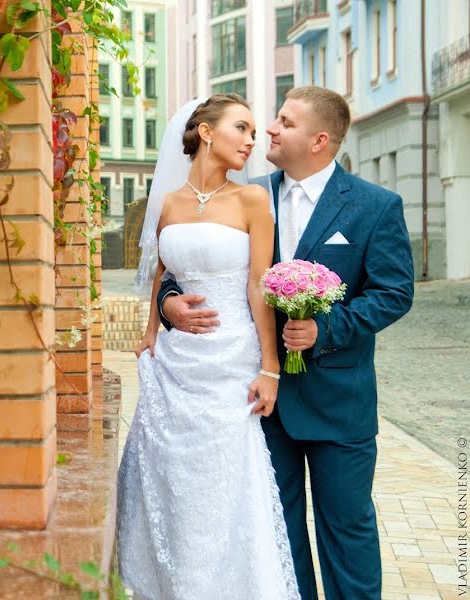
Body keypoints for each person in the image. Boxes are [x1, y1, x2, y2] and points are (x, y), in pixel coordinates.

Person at [156, 86, 415, 600]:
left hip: (339, 402)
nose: (268, 130)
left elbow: (395, 292)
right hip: (254, 398)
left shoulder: (375, 206)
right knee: (277, 533)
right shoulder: (246, 193)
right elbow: (188, 263)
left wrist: (327, 328)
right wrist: (168, 304)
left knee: (348, 531)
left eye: (283, 122)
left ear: (319, 140)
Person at [115, 94, 301, 600]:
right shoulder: (170, 202)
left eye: (253, 134)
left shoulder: (251, 201)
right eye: (240, 128)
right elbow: (161, 272)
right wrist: (154, 331)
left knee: (224, 483)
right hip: (175, 364)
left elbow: (259, 283)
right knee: (172, 475)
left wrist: (269, 368)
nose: (250, 140)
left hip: (230, 359)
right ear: (206, 132)